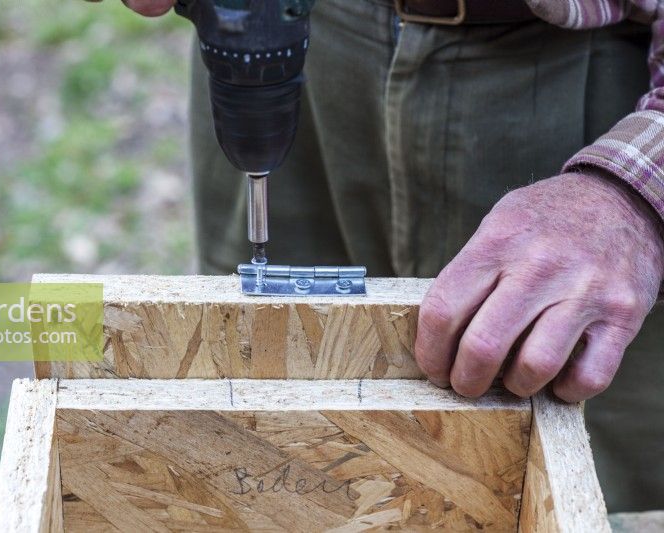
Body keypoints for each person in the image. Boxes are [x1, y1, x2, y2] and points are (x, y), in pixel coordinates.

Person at [122, 0, 664, 512]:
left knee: (581, 470)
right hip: (299, 42)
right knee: (242, 455)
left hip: (593, 68)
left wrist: (635, 193)